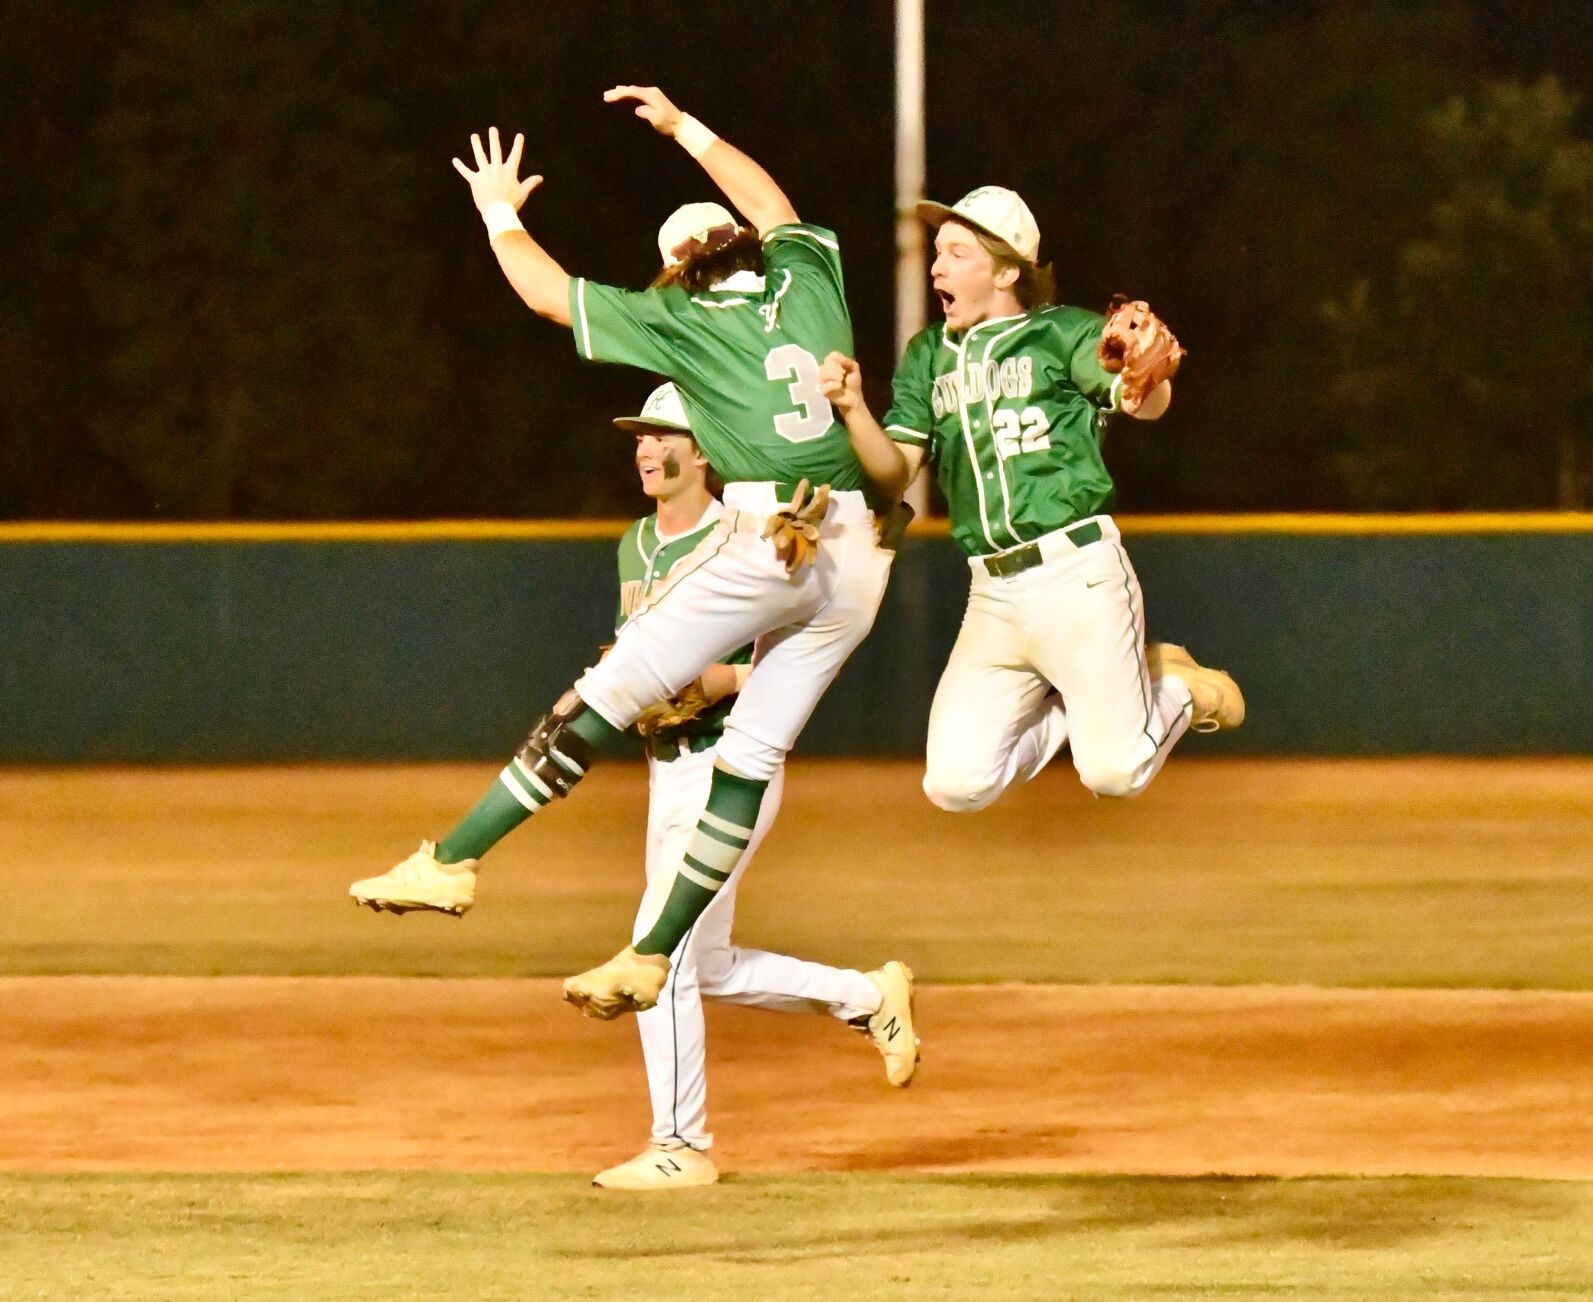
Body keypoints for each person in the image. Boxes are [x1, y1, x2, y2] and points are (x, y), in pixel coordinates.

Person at [349, 87, 904, 1037]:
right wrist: (687, 128)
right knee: (755, 750)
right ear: (743, 244)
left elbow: (540, 290)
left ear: (675, 272)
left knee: (610, 686)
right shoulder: (807, 277)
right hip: (857, 554)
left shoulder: (681, 322)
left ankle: (452, 860)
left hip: (772, 537)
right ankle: (652, 955)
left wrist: (494, 211)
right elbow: (773, 203)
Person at [578, 381, 913, 1190]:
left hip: (729, 766)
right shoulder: (634, 543)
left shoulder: (751, 534)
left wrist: (715, 677)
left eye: (664, 435)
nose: (646, 450)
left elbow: (789, 656)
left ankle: (679, 1145)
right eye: (639, 436)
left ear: (707, 451)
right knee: (711, 963)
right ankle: (866, 995)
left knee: (660, 945)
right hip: (667, 769)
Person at [816, 186, 1244, 814]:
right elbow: (893, 472)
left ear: (1007, 269)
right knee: (954, 784)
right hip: (991, 593)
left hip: (1078, 576)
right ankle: (1102, 698)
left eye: (957, 253)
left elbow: (1142, 401)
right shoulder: (928, 356)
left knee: (1115, 771)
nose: (937, 267)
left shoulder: (1062, 334)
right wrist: (852, 409)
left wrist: (1149, 379)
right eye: (938, 253)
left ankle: (1174, 688)